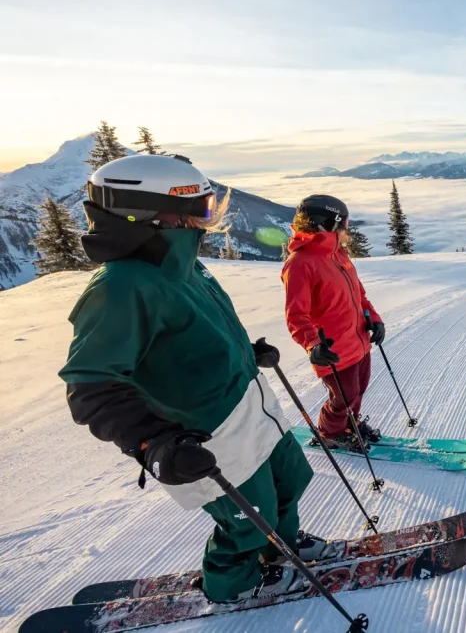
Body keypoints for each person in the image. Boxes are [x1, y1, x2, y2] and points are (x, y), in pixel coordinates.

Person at [59, 154, 335, 604]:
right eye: (200, 209)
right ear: (149, 213)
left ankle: (280, 548)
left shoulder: (185, 264)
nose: (208, 220)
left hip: (249, 405)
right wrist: (153, 446)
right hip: (208, 431)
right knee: (246, 517)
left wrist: (246, 353)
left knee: (288, 479)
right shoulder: (122, 287)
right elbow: (90, 387)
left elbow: (195, 333)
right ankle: (235, 585)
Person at [281, 195, 385, 452]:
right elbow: (296, 315)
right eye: (343, 223)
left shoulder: (338, 255)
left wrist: (375, 319)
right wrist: (313, 345)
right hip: (334, 349)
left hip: (358, 340)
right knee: (343, 397)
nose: (345, 229)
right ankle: (330, 433)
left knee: (358, 390)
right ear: (326, 223)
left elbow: (358, 295)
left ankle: (350, 424)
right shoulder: (300, 264)